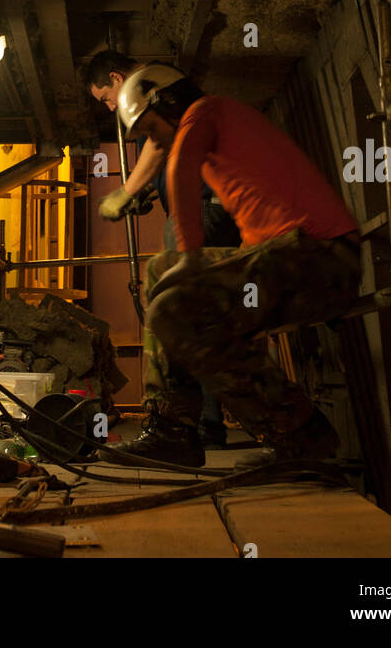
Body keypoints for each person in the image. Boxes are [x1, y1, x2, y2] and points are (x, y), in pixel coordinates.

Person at [111, 64, 362, 468]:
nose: (154, 141)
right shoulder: (221, 137)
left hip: (321, 255)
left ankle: (299, 432)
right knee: (160, 272)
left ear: (169, 102)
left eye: (152, 128)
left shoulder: (206, 111)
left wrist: (191, 257)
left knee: (174, 304)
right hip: (292, 258)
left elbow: (181, 166)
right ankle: (172, 429)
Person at [84, 51, 241, 449]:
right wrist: (148, 195)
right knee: (201, 320)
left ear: (117, 78)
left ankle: (176, 426)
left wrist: (125, 191)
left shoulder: (155, 88)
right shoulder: (161, 92)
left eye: (105, 97)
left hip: (203, 214)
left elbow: (157, 145)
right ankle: (206, 426)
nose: (109, 107)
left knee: (172, 311)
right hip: (204, 211)